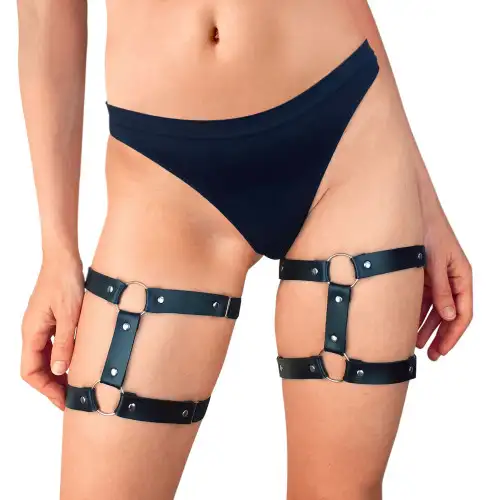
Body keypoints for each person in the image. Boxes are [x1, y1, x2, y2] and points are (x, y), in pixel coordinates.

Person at [17, 1, 473, 499]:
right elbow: (43, 12)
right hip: (161, 179)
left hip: (348, 136)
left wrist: (424, 203)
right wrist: (57, 251)